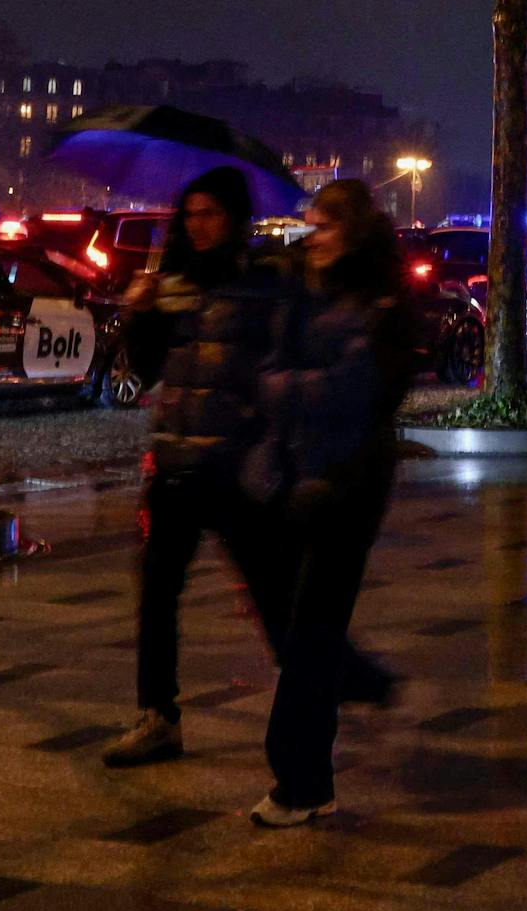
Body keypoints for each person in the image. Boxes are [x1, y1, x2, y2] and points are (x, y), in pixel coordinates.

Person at [104, 167, 392, 772]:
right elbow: (148, 369)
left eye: (211, 213)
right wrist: (143, 313)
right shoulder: (173, 285)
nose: (199, 225)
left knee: (273, 596)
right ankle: (158, 716)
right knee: (157, 595)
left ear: (234, 218)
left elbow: (287, 352)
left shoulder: (263, 280)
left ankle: (335, 676)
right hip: (176, 463)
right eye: (191, 213)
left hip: (235, 467)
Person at [239, 177, 414, 825]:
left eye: (329, 225)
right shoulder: (300, 294)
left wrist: (289, 388)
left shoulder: (384, 302)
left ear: (357, 231)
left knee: (311, 631)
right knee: (294, 626)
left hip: (349, 483)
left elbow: (365, 389)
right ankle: (360, 678)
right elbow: (266, 372)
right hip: (287, 477)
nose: (315, 236)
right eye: (311, 222)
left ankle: (301, 780)